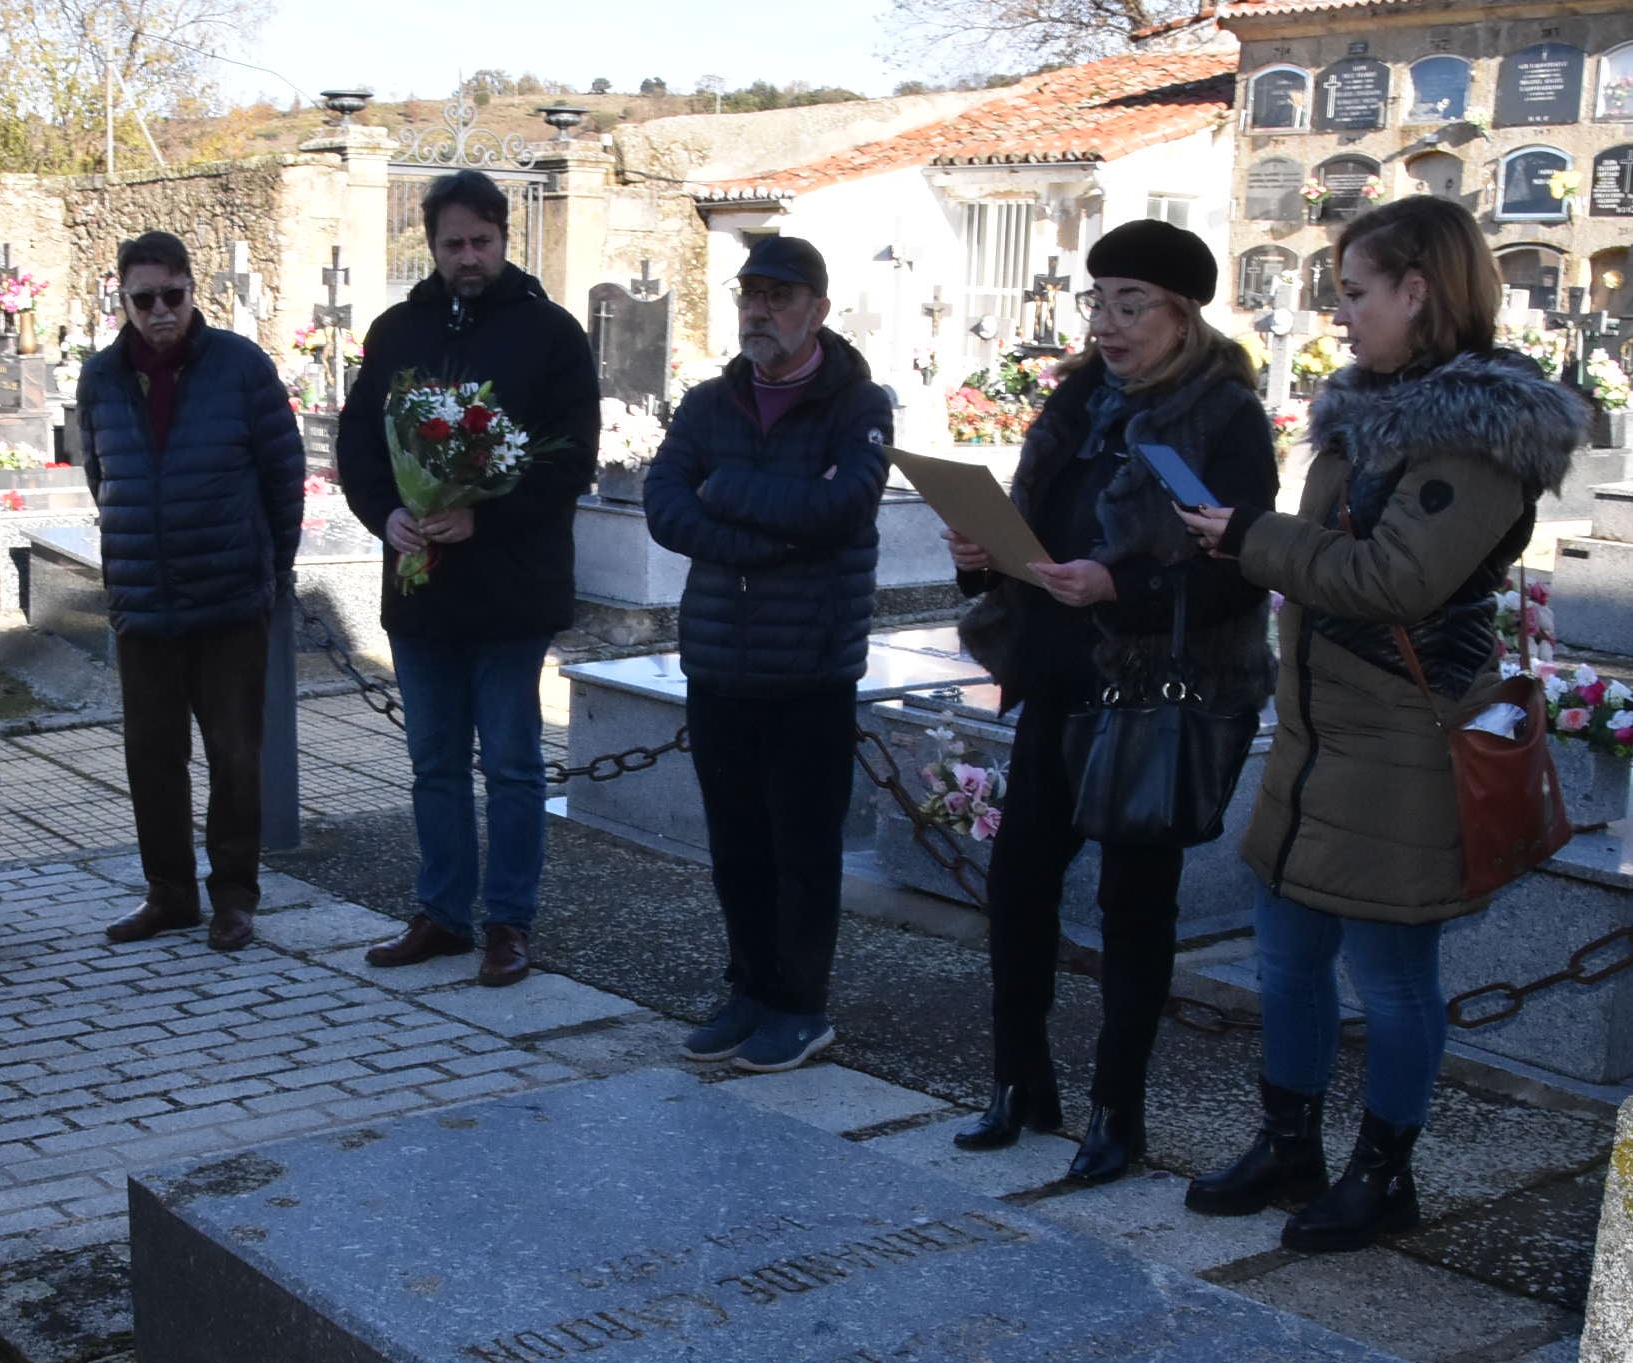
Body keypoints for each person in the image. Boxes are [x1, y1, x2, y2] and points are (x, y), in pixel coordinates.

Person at [1174, 194, 1585, 1251]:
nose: (1340, 314)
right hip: (1319, 741)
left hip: (1403, 746)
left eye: (1356, 293)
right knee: (1285, 954)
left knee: (1394, 981)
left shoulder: (1479, 435)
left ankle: (1383, 1170)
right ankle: (1290, 1141)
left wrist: (1250, 538)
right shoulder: (1368, 414)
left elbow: (1398, 577)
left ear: (1418, 290)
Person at [939, 221, 1275, 1168]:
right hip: (1051, 676)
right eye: (1098, 303)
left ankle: (1116, 1112)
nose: (1108, 325)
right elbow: (1030, 537)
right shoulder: (1076, 401)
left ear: (1184, 316)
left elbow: (1243, 572)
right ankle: (1018, 1081)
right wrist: (982, 559)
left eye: (1132, 306)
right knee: (1019, 887)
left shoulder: (1224, 416)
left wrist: (1120, 585)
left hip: (1148, 692)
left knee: (1134, 905)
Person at [336, 171, 598, 987]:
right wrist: (389, 516)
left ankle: (508, 923)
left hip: (511, 588)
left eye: (481, 241)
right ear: (432, 246)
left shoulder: (550, 334)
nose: (468, 257)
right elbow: (359, 448)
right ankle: (443, 913)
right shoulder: (397, 331)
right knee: (434, 764)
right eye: (453, 244)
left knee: (513, 763)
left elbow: (570, 459)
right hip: (422, 587)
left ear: (504, 239)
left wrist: (486, 516)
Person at [645, 236, 891, 1072]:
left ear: (818, 309)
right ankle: (748, 987)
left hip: (811, 665)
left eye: (780, 296)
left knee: (802, 847)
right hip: (721, 659)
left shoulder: (857, 405)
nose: (760, 309)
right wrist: (773, 526)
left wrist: (730, 498)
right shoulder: (710, 404)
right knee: (737, 844)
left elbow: (845, 510)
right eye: (751, 293)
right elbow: (664, 505)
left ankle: (800, 1005)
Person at [79, 229, 306, 953]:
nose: (159, 312)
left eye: (171, 296)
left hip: (230, 598)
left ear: (191, 291)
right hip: (143, 601)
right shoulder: (101, 378)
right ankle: (169, 894)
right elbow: (102, 476)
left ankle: (234, 896)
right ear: (123, 300)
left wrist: (272, 571)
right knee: (151, 758)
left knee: (236, 757)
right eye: (142, 300)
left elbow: (282, 476)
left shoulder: (241, 368)